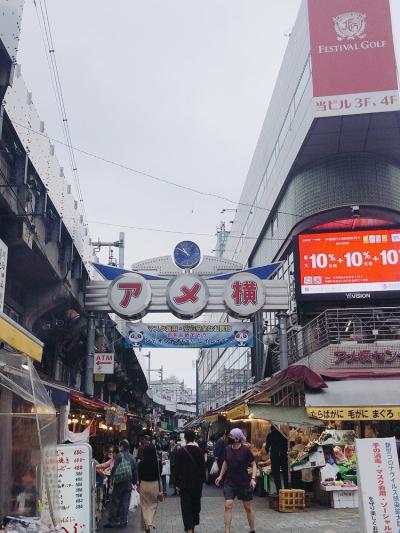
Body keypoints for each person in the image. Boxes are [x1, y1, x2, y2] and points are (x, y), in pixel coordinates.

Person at [215, 428, 257, 533]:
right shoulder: (228, 448)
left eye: (231, 436)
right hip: (230, 481)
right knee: (228, 505)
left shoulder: (246, 450)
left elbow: (254, 464)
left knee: (247, 507)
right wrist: (220, 476)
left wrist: (253, 478)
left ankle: (252, 529)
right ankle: (227, 531)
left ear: (237, 438)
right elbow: (225, 462)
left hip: (243, 481)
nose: (229, 437)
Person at [175, 430, 206, 533]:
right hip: (197, 485)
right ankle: (191, 526)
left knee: (186, 506)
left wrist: (176, 484)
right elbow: (203, 469)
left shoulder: (180, 451)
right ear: (194, 438)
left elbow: (177, 469)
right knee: (195, 505)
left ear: (185, 438)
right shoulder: (200, 451)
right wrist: (202, 481)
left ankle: (189, 528)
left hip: (184, 485)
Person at [104, 439, 137, 529]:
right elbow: (134, 471)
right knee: (125, 502)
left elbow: (114, 468)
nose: (119, 447)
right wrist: (134, 482)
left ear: (122, 447)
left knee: (115, 501)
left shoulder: (119, 456)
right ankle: (123, 522)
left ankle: (112, 522)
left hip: (119, 483)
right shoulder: (132, 457)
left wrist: (111, 478)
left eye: (119, 446)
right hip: (128, 483)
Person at [138, 435, 161, 533]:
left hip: (144, 485)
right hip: (154, 485)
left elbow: (139, 476)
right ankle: (150, 522)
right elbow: (159, 475)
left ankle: (147, 526)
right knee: (152, 506)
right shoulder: (156, 463)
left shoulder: (141, 463)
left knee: (144, 506)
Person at [266, 425, 289, 493]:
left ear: (271, 429)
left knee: (276, 474)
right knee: (285, 473)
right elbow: (287, 444)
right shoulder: (283, 434)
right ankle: (287, 490)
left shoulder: (270, 435)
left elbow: (267, 447)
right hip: (284, 456)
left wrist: (268, 450)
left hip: (275, 456)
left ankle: (279, 491)